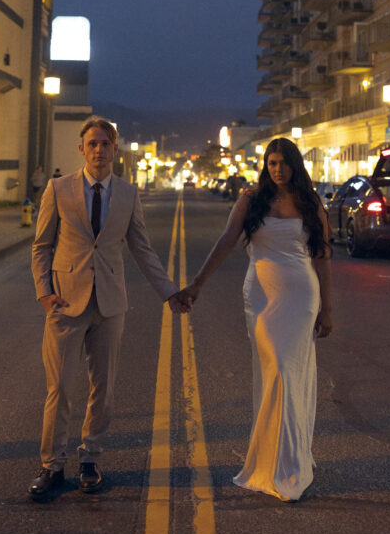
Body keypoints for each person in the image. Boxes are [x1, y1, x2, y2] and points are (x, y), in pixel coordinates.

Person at [28, 117, 190, 501]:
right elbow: (41, 247)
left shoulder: (129, 195)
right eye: (92, 143)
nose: (99, 150)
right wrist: (45, 293)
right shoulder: (58, 188)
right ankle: (51, 466)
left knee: (104, 388)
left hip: (110, 304)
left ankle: (90, 460)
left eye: (106, 143)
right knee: (61, 389)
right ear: (81, 149)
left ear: (115, 149)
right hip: (66, 303)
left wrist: (169, 292)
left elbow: (143, 250)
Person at [175, 137, 332, 502]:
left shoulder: (311, 203)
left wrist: (328, 308)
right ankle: (272, 459)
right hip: (261, 296)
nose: (278, 169)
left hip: (302, 296)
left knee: (285, 373)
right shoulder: (251, 199)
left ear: (295, 164)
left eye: (283, 162)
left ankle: (289, 463)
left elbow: (323, 256)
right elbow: (227, 240)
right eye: (272, 162)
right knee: (274, 372)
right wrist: (198, 283)